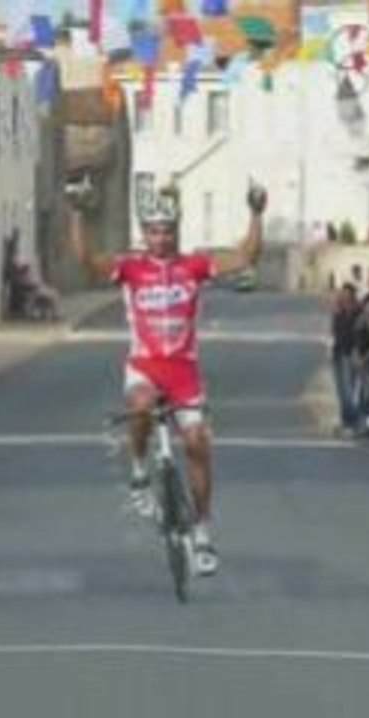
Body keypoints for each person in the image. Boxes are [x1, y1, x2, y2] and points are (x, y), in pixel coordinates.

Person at [66, 175, 267, 577]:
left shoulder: (193, 266)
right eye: (154, 231)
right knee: (140, 405)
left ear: (176, 232)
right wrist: (78, 212)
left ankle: (203, 532)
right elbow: (86, 260)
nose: (161, 238)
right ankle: (140, 472)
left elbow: (245, 257)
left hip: (185, 373)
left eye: (168, 231)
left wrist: (256, 214)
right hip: (145, 366)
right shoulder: (131, 268)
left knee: (196, 445)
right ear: (145, 234)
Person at [330, 283, 360, 435]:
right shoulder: (339, 314)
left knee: (349, 390)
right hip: (338, 353)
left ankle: (352, 422)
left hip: (350, 354)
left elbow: (357, 335)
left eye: (348, 296)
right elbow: (335, 333)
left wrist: (357, 352)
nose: (345, 298)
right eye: (343, 295)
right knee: (340, 390)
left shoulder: (357, 314)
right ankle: (345, 421)